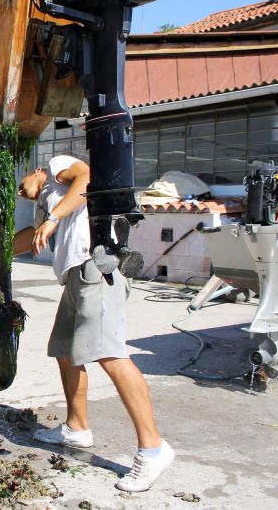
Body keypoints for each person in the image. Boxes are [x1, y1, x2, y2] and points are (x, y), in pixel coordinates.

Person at [15, 155, 174, 493]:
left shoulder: (57, 166)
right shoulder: (48, 202)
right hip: (75, 275)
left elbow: (86, 175)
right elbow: (30, 235)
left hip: (97, 266)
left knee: (109, 354)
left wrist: (54, 219)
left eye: (21, 185)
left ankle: (153, 448)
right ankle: (76, 426)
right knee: (64, 350)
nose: (20, 193)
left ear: (38, 172)